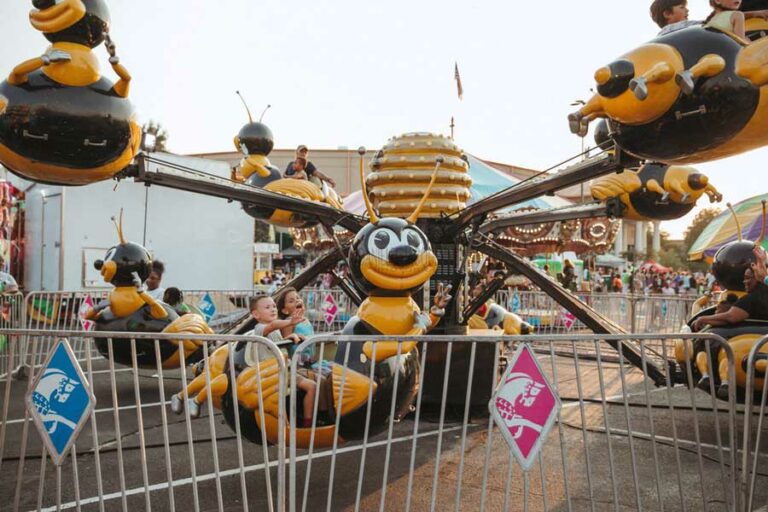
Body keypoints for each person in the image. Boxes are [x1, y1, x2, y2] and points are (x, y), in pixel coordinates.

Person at [247, 294, 317, 427]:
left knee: (312, 386)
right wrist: (291, 322)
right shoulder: (260, 328)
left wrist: (292, 336)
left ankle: (308, 424)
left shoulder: (276, 330)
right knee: (278, 402)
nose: (273, 309)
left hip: (285, 372)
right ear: (256, 314)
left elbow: (278, 339)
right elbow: (272, 325)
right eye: (268, 307)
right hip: (271, 377)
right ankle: (285, 428)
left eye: (274, 306)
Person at [693, 268, 768, 331]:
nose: (744, 281)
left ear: (758, 278)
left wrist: (702, 319)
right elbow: (725, 320)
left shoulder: (751, 299)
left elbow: (730, 317)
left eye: (747, 278)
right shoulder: (760, 296)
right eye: (744, 278)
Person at [276, 287, 315, 364]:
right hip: (296, 362)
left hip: (309, 359)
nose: (297, 300)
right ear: (285, 310)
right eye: (291, 301)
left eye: (297, 297)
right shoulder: (288, 322)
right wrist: (295, 336)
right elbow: (285, 343)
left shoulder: (305, 319)